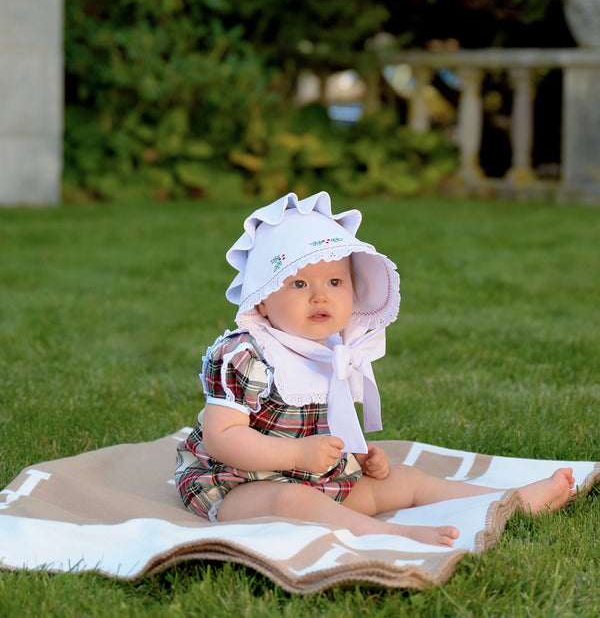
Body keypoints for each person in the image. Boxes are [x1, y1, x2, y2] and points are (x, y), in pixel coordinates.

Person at [176, 191, 574, 546]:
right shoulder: (246, 353)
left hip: (315, 477)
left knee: (403, 480)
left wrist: (357, 456)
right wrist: (296, 454)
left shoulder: (338, 349)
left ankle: (508, 500)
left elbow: (326, 425)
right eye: (298, 284)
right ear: (261, 299)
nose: (320, 296)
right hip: (235, 484)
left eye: (335, 282)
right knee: (292, 501)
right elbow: (222, 437)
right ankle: (392, 536)